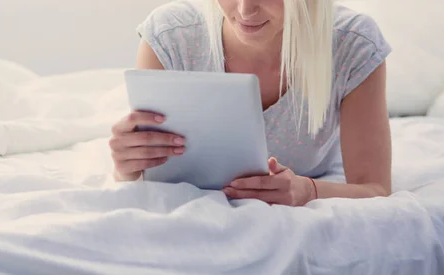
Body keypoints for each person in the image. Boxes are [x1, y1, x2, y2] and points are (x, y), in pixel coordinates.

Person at [108, 0, 392, 206]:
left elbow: (375, 189)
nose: (245, 10)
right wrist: (127, 168)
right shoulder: (171, 36)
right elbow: (145, 172)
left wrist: (308, 191)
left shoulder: (353, 45)